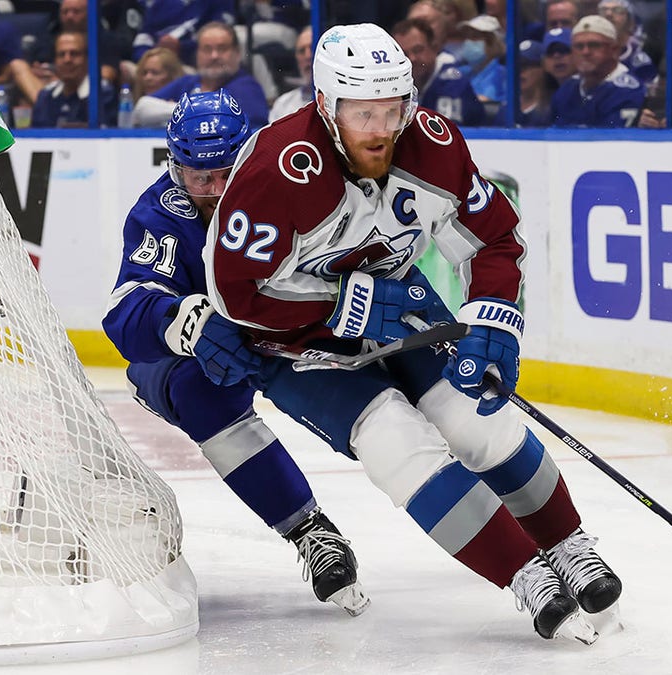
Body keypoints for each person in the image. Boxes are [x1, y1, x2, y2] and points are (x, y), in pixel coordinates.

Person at [204, 23, 623, 643]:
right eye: (362, 112)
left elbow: (495, 241)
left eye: (393, 109)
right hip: (299, 349)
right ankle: (523, 574)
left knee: (479, 420)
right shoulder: (277, 170)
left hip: (404, 310)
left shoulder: (434, 146)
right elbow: (236, 295)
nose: (380, 128)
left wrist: (494, 322)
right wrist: (346, 307)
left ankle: (568, 543)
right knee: (396, 447)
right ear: (325, 105)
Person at [102, 89, 369, 618]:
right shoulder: (161, 213)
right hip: (200, 357)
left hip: (285, 331)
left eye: (227, 171)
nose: (216, 190)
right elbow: (126, 312)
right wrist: (186, 322)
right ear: (177, 168)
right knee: (201, 393)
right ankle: (310, 531)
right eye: (201, 177)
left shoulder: (289, 186)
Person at [133, 22, 269, 128]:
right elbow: (142, 107)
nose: (214, 56)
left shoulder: (246, 87)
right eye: (207, 49)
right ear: (197, 53)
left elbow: (250, 126)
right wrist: (187, 111)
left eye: (222, 49)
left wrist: (181, 112)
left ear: (237, 53)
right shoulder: (187, 82)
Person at [551, 15, 646, 127]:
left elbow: (609, 141)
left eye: (594, 45)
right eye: (579, 46)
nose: (585, 52)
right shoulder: (567, 88)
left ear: (614, 50)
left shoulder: (628, 91)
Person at [393, 18, 486, 125]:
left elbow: (445, 135)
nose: (412, 58)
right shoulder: (396, 83)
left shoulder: (452, 82)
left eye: (418, 50)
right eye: (404, 54)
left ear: (434, 48)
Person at [30, 31, 118, 128]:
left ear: (87, 59)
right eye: (61, 54)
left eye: (74, 54)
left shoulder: (102, 94)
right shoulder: (45, 96)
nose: (67, 60)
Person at [130, 0, 234, 63]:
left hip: (192, 62)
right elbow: (144, 35)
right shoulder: (161, 3)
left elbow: (221, 35)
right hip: (157, 58)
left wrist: (181, 47)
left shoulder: (219, 2)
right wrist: (146, 57)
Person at [269, 25, 314, 120]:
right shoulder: (282, 105)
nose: (308, 56)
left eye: (312, 48)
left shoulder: (343, 102)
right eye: (302, 51)